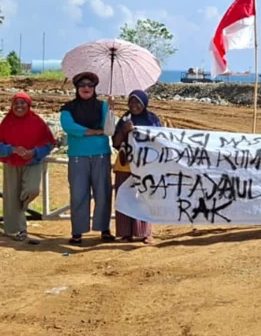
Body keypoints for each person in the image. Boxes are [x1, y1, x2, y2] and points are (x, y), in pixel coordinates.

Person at [60, 72, 114, 246]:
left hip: (101, 154)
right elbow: (69, 126)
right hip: (77, 156)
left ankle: (104, 229)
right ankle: (77, 231)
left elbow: (109, 129)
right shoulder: (68, 108)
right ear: (76, 88)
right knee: (78, 194)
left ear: (95, 88)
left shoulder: (103, 106)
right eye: (82, 85)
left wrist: (111, 110)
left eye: (90, 85)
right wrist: (93, 131)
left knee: (103, 192)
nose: (86, 88)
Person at [0, 92, 57, 244]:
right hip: (11, 163)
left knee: (32, 190)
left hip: (32, 162)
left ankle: (19, 210)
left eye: (22, 103)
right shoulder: (6, 122)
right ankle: (18, 230)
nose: (19, 106)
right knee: (11, 196)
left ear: (28, 105)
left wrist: (34, 152)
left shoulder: (37, 121)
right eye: (16, 103)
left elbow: (49, 143)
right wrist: (12, 150)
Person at [111, 90, 162, 243]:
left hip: (145, 165)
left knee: (144, 197)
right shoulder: (125, 119)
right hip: (125, 165)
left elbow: (159, 140)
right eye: (131, 102)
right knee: (124, 197)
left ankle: (145, 232)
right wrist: (124, 130)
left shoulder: (152, 120)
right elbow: (116, 143)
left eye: (138, 102)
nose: (134, 105)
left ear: (144, 103)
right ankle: (125, 232)